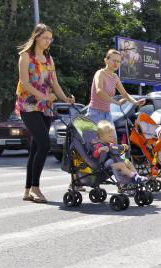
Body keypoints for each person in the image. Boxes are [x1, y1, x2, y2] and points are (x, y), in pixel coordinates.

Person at [16, 23, 75, 203]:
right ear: (36, 37)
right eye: (45, 38)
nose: (48, 41)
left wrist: (65, 98)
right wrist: (43, 96)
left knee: (35, 148)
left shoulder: (49, 59)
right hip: (28, 106)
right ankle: (35, 187)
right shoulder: (25, 56)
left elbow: (54, 84)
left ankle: (27, 190)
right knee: (44, 145)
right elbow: (25, 83)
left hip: (45, 107)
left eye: (50, 38)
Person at [87, 49, 145, 125]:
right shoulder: (100, 73)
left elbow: (124, 93)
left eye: (118, 61)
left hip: (107, 113)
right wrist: (117, 103)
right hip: (95, 113)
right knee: (95, 137)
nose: (116, 63)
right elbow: (99, 91)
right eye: (114, 60)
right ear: (106, 60)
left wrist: (135, 102)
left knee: (112, 137)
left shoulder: (115, 77)